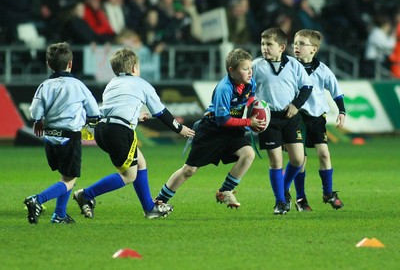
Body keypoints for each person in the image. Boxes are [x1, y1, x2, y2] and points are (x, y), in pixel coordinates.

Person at [73, 47, 195, 219]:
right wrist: (179, 128)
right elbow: (161, 112)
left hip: (102, 130)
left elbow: (116, 109)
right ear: (134, 68)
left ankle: (149, 208)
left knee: (140, 163)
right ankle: (86, 194)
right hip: (119, 132)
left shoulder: (112, 84)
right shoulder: (142, 84)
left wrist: (136, 116)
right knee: (129, 175)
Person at [154, 48, 266, 209]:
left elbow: (250, 99)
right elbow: (223, 119)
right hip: (212, 130)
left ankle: (225, 191)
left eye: (251, 68)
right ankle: (160, 200)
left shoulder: (250, 83)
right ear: (231, 70)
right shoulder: (224, 89)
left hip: (232, 130)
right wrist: (249, 122)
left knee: (248, 154)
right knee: (189, 170)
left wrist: (257, 111)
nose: (250, 72)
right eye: (245, 69)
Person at [23, 42, 101, 224]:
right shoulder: (78, 85)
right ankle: (37, 200)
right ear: (70, 63)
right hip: (69, 137)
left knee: (65, 176)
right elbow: (94, 111)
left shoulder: (45, 85)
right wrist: (89, 128)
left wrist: (38, 120)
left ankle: (59, 214)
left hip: (49, 138)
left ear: (49, 64)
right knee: (70, 180)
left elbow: (35, 112)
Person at [252, 27, 313, 215]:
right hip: (268, 119)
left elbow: (307, 86)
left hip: (290, 116)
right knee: (276, 161)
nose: (264, 48)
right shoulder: (256, 66)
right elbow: (245, 88)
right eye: (262, 44)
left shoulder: (294, 65)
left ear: (281, 47)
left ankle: (284, 187)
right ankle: (280, 202)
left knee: (298, 159)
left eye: (269, 44)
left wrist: (296, 105)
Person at [290, 29, 345, 211]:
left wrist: (342, 111)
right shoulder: (289, 67)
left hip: (317, 118)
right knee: (300, 159)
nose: (297, 46)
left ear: (314, 49)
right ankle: (301, 198)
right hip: (297, 117)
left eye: (302, 44)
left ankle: (328, 193)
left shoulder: (322, 70)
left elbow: (335, 91)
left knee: (324, 154)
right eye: (295, 43)